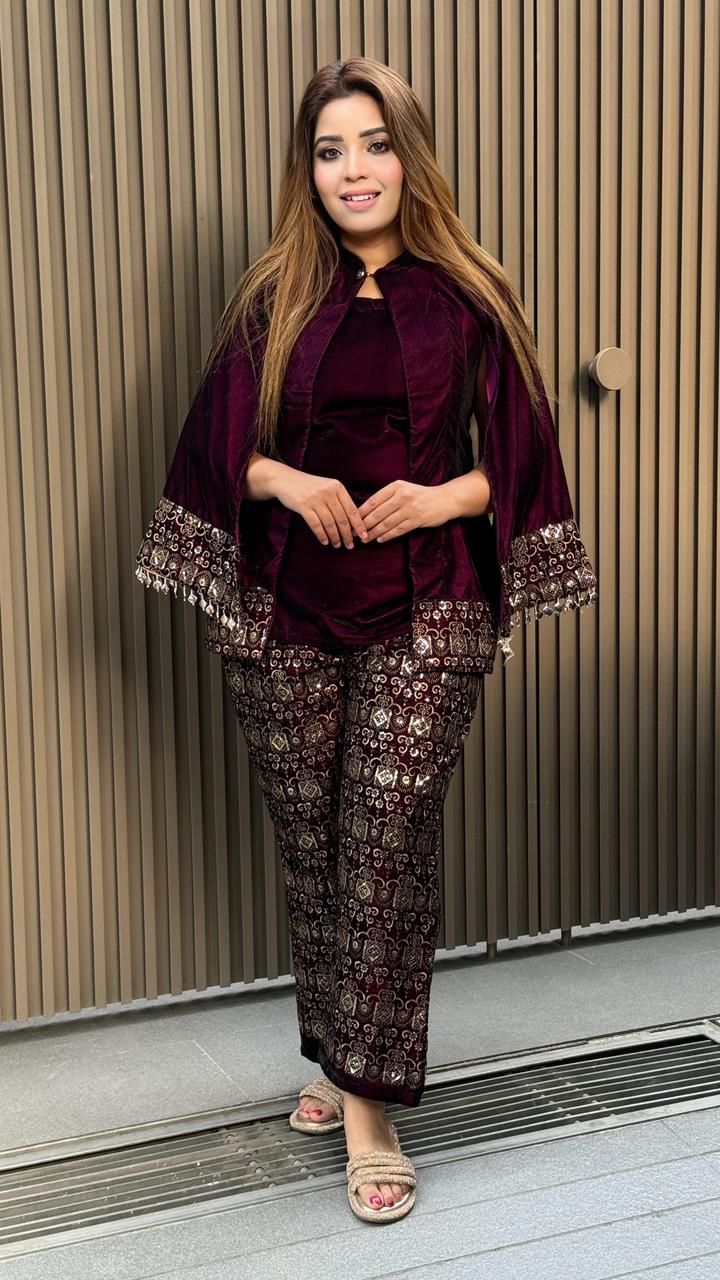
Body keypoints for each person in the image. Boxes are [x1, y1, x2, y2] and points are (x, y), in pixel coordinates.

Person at [135, 57, 598, 1224]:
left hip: (428, 607)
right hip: (284, 610)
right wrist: (287, 479)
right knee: (317, 849)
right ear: (309, 169)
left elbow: (522, 461)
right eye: (330, 148)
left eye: (375, 144)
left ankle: (372, 1109)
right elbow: (214, 449)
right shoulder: (275, 297)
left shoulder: (470, 297)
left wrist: (438, 497)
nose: (354, 169)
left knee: (385, 843)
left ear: (410, 156)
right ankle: (338, 1056)